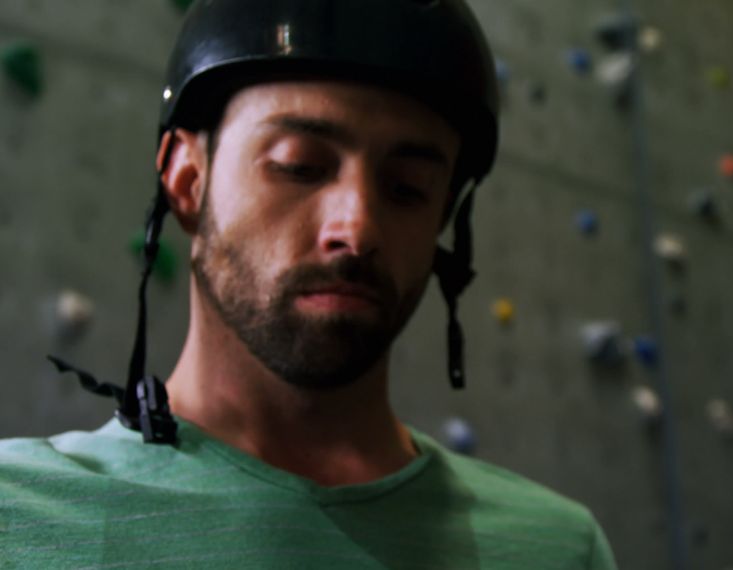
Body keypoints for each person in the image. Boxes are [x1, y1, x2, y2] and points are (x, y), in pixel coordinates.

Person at [0, 1, 617, 568]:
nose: (357, 227)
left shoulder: (557, 550)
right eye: (300, 166)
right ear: (187, 182)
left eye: (407, 188)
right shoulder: (18, 519)